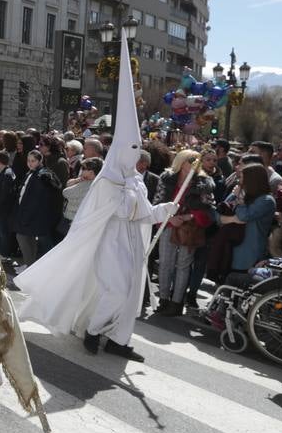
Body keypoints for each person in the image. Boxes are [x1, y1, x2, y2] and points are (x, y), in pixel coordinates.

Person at [16, 39, 177, 361]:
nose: (135, 156)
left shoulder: (134, 179)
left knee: (131, 294)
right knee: (114, 290)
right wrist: (139, 209)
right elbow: (119, 211)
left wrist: (163, 210)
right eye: (129, 150)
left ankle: (119, 339)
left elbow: (141, 213)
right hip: (109, 241)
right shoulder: (107, 182)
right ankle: (93, 329)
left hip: (131, 242)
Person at [154, 149, 215, 317]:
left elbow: (210, 209)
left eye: (197, 161)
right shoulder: (166, 179)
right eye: (191, 160)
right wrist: (169, 219)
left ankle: (177, 302)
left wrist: (189, 216)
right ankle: (164, 299)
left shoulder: (204, 183)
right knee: (165, 263)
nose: (195, 164)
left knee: (183, 265)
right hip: (168, 226)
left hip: (190, 229)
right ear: (181, 161)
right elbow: (158, 202)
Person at [220, 163, 276, 283]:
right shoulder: (242, 194)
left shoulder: (266, 200)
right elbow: (221, 210)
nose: (239, 181)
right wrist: (233, 196)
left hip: (249, 252)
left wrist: (240, 202)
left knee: (240, 286)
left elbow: (244, 216)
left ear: (252, 180)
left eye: (242, 178)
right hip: (232, 247)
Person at [12, 149, 62, 265]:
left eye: (33, 161)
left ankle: (30, 267)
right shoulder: (33, 172)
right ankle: (30, 266)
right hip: (28, 214)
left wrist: (25, 217)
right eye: (28, 161)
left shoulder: (41, 175)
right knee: (28, 240)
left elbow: (35, 200)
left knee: (23, 238)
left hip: (33, 216)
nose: (30, 163)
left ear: (40, 161)